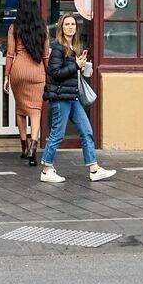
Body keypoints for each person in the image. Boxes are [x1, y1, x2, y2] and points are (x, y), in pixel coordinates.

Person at [39, 11, 115, 183]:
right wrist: (76, 65)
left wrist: (81, 67)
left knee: (86, 131)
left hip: (72, 97)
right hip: (60, 98)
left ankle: (94, 169)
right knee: (57, 134)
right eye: (67, 24)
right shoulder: (58, 48)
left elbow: (70, 71)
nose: (70, 27)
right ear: (61, 27)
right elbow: (55, 73)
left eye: (73, 24)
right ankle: (46, 169)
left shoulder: (73, 48)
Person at [5, 0, 48, 164]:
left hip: (18, 71)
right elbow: (45, 55)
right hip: (37, 71)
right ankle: (33, 147)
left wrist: (6, 76)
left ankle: (23, 147)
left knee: (20, 110)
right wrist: (49, 73)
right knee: (36, 111)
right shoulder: (42, 27)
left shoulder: (14, 28)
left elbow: (10, 54)